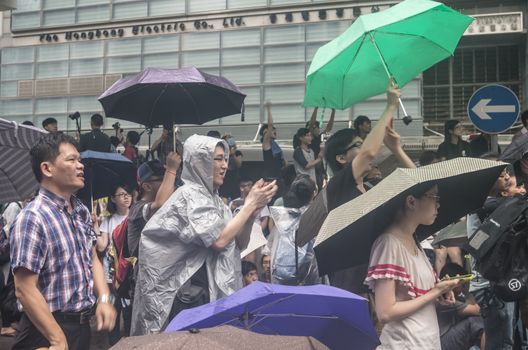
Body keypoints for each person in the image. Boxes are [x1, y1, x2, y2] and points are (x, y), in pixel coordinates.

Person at [131, 134, 277, 335]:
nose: (224, 165)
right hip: (184, 297)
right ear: (199, 162)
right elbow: (218, 241)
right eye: (217, 159)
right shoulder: (189, 196)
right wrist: (249, 203)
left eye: (225, 158)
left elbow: (238, 244)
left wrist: (252, 212)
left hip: (206, 294)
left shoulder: (216, 201)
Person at [9, 133, 116, 350]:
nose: (80, 166)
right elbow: (24, 288)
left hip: (82, 325)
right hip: (45, 329)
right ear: (47, 169)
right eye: (71, 160)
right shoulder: (32, 218)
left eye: (79, 160)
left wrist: (103, 298)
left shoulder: (81, 211)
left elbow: (92, 256)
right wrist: (57, 338)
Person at [323, 82, 416, 297]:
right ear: (341, 158)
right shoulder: (339, 186)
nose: (364, 146)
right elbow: (368, 153)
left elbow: (417, 184)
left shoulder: (371, 189)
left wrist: (396, 149)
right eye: (357, 144)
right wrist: (391, 105)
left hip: (375, 280)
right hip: (349, 283)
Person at [364, 183, 461, 349]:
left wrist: (440, 293)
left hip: (425, 340)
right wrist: (435, 292)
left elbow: (416, 298)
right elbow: (386, 312)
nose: (438, 204)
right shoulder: (388, 244)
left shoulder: (414, 240)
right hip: (405, 343)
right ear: (411, 201)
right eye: (434, 197)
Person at [466, 154, 515, 350]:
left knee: (504, 339)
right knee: (501, 342)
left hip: (494, 282)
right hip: (490, 285)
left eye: (507, 173)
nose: (507, 177)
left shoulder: (493, 203)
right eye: (501, 174)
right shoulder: (483, 205)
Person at [95, 184, 133, 346]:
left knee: (130, 314)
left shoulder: (135, 217)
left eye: (128, 194)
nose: (126, 197)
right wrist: (95, 225)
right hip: (110, 274)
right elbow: (102, 246)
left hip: (129, 273)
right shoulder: (109, 221)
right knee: (114, 311)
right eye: (121, 194)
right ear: (113, 199)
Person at [127, 153, 182, 259]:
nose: (170, 183)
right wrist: (171, 170)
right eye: (163, 179)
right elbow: (159, 206)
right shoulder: (137, 209)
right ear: (147, 186)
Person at [268, 175, 320, 286]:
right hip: (308, 278)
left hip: (282, 276)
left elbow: (271, 246)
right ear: (314, 193)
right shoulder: (316, 217)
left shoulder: (281, 217)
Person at [436, 263, 485, 350]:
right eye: (462, 284)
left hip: (448, 336)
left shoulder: (456, 297)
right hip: (441, 342)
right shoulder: (445, 300)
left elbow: (471, 304)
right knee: (475, 322)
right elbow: (477, 310)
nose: (463, 287)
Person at [261, 101, 288, 197]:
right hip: (270, 181)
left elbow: (283, 164)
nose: (274, 131)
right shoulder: (266, 144)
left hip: (279, 180)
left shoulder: (276, 146)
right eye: (271, 130)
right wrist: (268, 109)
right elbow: (270, 125)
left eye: (274, 129)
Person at [219, 136, 243, 202]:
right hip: (225, 178)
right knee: (224, 196)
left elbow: (239, 164)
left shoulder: (237, 153)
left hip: (234, 177)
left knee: (236, 197)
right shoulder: (222, 153)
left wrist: (233, 154)